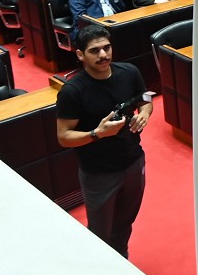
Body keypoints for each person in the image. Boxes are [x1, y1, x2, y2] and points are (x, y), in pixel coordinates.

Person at [55, 25, 150, 258]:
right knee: (99, 232)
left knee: (124, 224)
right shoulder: (72, 91)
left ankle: (121, 260)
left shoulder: (129, 72)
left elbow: (145, 97)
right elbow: (64, 137)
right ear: (80, 55)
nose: (103, 55)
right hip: (99, 173)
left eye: (106, 48)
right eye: (94, 51)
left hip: (133, 162)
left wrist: (145, 113)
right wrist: (96, 134)